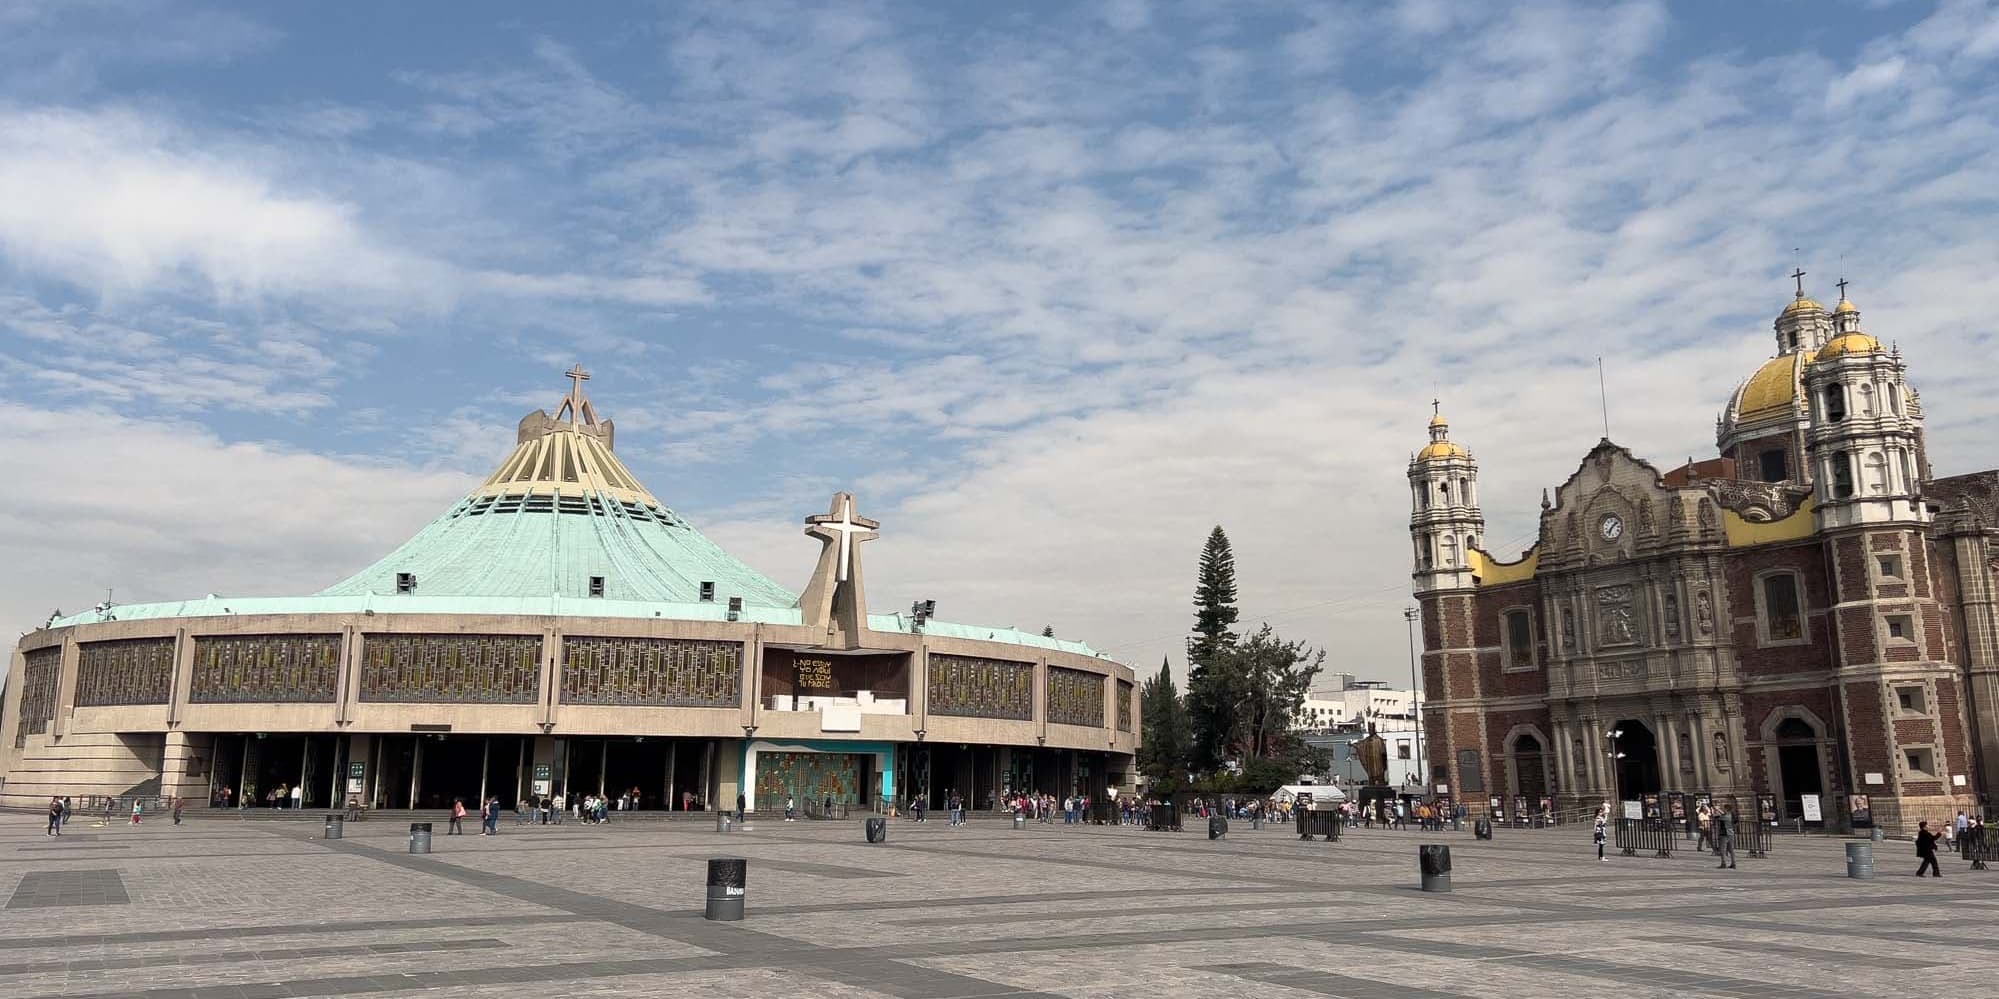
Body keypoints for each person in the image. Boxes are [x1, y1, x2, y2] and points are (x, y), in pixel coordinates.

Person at [1714, 803, 1737, 869]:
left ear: (1726, 809)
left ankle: (1723, 863)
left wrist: (1717, 810)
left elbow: (1717, 817)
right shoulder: (1732, 815)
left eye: (1724, 808)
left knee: (1723, 850)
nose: (1723, 809)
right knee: (1731, 850)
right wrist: (1718, 810)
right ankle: (1733, 863)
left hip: (1724, 834)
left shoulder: (1726, 816)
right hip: (1731, 833)